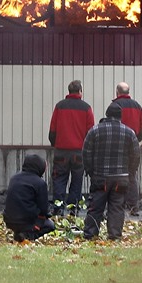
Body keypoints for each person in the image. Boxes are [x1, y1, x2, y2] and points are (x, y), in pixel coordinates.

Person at [82, 103, 140, 240]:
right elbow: (136, 155)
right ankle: (114, 235)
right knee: (117, 207)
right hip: (121, 178)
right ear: (120, 116)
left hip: (100, 177)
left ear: (107, 114)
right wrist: (129, 173)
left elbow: (86, 153)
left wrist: (91, 172)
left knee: (95, 207)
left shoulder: (94, 131)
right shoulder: (129, 132)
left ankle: (90, 234)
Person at [48, 80, 95, 216]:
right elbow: (90, 132)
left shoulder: (59, 106)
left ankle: (58, 208)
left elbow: (52, 130)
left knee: (59, 179)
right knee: (76, 181)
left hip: (61, 151)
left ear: (68, 91)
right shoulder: (86, 108)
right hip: (78, 152)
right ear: (80, 91)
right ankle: (73, 209)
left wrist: (55, 144)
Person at [112, 82, 142, 216]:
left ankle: (118, 205)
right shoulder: (137, 106)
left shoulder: (115, 106)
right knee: (131, 176)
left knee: (116, 175)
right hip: (133, 148)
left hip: (118, 147)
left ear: (117, 92)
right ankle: (133, 206)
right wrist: (136, 140)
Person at [3, 153, 56, 242]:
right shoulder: (40, 183)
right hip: (27, 221)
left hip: (9, 220)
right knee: (50, 225)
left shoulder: (14, 178)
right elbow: (43, 209)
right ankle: (27, 235)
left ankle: (19, 233)